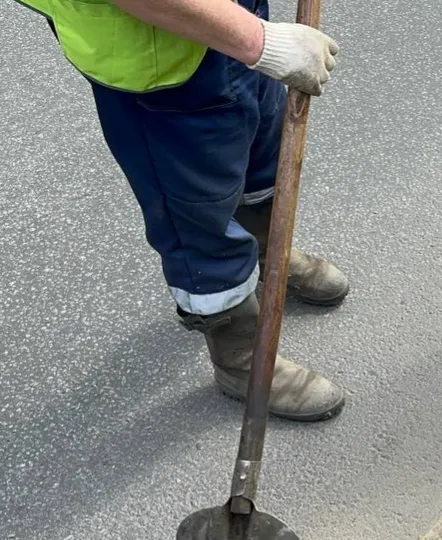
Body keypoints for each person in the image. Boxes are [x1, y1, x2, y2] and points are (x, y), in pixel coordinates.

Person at [14, 0, 349, 422]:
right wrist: (257, 42)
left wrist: (248, 35)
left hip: (228, 26)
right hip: (157, 61)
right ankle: (240, 358)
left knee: (262, 158)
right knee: (197, 221)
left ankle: (266, 258)